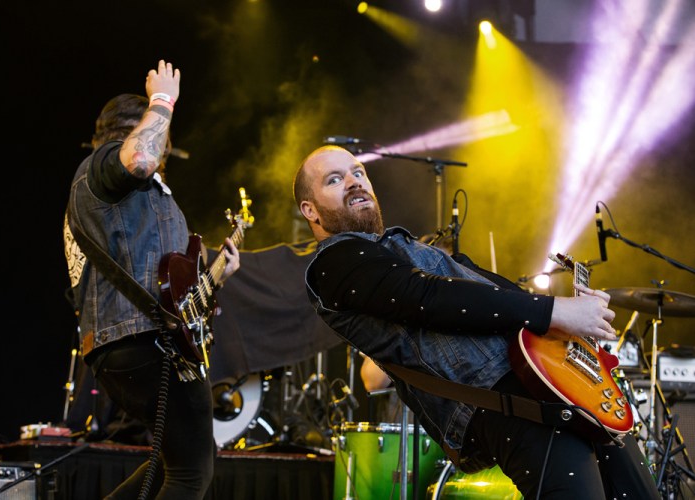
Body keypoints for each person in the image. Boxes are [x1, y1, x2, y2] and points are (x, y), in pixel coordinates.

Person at [293, 145, 658, 499]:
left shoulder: (406, 250)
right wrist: (555, 311)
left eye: (359, 172)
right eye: (335, 179)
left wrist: (566, 314)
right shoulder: (333, 263)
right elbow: (424, 297)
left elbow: (500, 292)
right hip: (498, 394)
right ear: (310, 210)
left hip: (551, 381)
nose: (355, 181)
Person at [64, 60, 240, 499]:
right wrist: (162, 99)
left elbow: (167, 288)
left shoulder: (135, 199)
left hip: (128, 345)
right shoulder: (104, 166)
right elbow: (139, 159)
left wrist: (217, 274)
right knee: (191, 475)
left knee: (173, 465)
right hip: (147, 343)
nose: (163, 147)